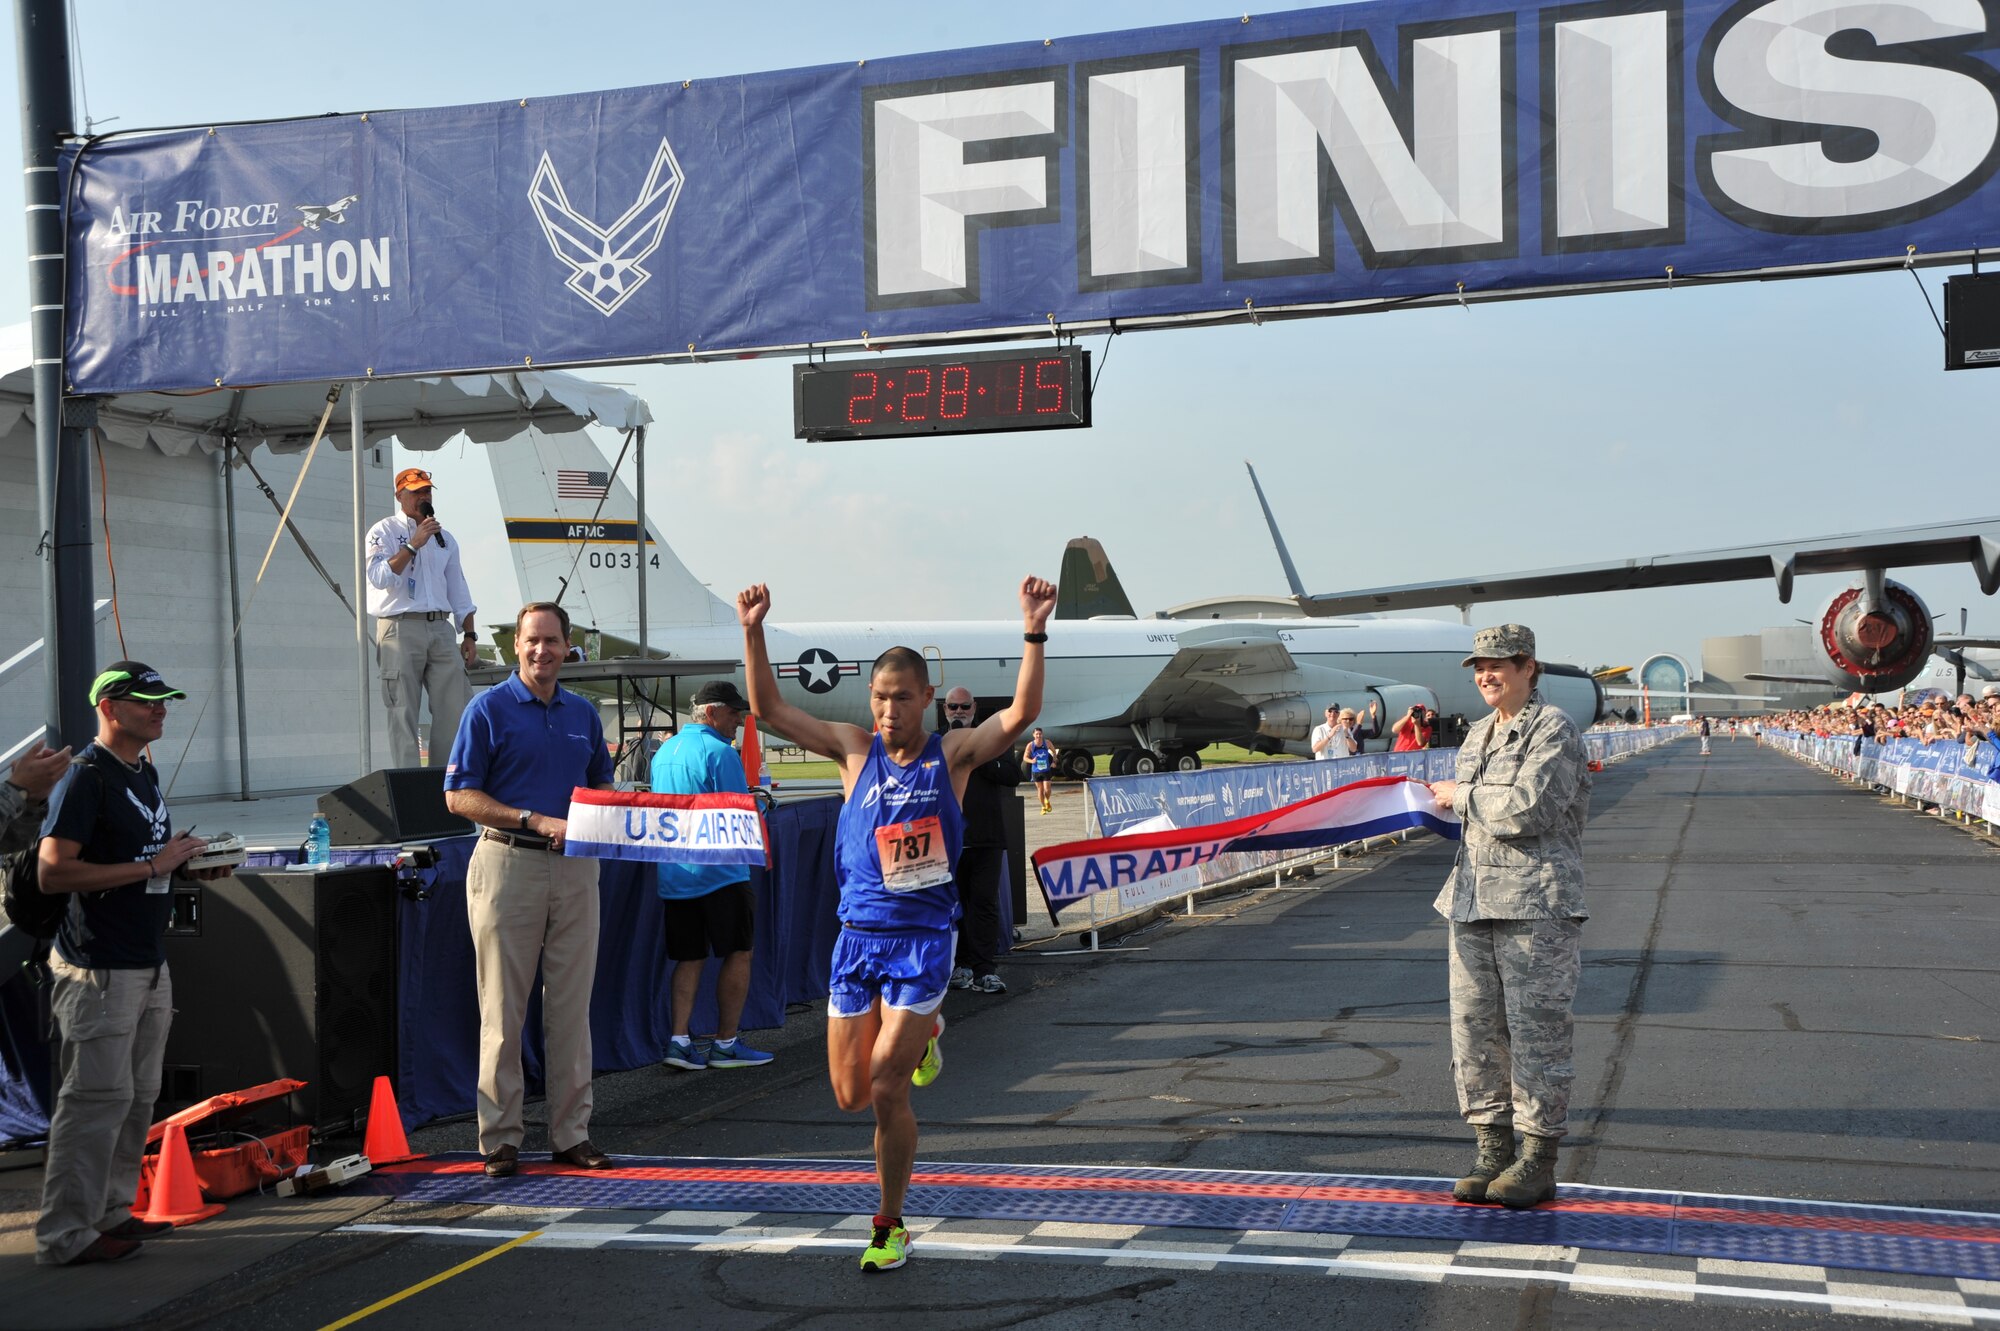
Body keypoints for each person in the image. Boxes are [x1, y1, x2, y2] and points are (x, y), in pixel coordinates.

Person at [738, 575, 1055, 1273]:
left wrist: (1033, 628)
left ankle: (890, 1223)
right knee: (851, 1092)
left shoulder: (953, 755)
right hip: (856, 941)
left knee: (886, 1087)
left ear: (926, 699)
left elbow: (1025, 709)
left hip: (922, 941)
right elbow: (768, 708)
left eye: (901, 697)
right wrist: (753, 629)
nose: (887, 709)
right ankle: (928, 1033)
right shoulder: (854, 749)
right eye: (879, 697)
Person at [35, 663, 227, 1266]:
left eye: (164, 699)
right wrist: (154, 868)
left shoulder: (141, 770)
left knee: (137, 1096)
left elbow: (144, 857)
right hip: (98, 966)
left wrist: (190, 867)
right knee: (93, 1101)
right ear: (110, 709)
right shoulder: (84, 777)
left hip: (145, 959)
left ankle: (112, 1212)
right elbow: (51, 871)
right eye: (147, 701)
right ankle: (65, 1235)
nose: (160, 709)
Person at [443, 602, 616, 1178]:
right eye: (531, 640)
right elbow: (458, 796)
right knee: (502, 1009)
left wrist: (602, 821)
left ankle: (572, 1134)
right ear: (515, 646)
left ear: (570, 647)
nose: (542, 650)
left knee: (571, 1010)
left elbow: (601, 785)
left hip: (575, 870)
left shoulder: (584, 714)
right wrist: (533, 820)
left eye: (552, 641)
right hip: (507, 863)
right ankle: (500, 1138)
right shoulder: (486, 709)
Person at [1426, 625, 1591, 1211]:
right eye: (1479, 666)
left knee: (1537, 1035)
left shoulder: (1554, 730)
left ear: (1528, 667)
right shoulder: (1476, 735)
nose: (1486, 675)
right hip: (1471, 899)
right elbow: (1469, 815)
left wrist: (1457, 795)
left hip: (1534, 905)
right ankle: (1492, 1148)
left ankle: (1538, 1159)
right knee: (1474, 1033)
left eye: (1498, 665)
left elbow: (1528, 808)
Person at [650, 680, 773, 1072]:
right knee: (739, 953)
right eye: (735, 713)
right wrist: (761, 807)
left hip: (674, 873)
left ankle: (679, 1040)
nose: (739, 720)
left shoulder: (664, 750)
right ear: (713, 712)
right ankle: (725, 1043)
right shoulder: (721, 752)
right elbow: (738, 814)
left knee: (689, 957)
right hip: (720, 872)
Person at [365, 466, 478, 768]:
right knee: (403, 711)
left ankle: (442, 785)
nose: (423, 496)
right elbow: (378, 577)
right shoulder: (383, 531)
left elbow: (459, 590)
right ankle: (410, 788)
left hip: (441, 628)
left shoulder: (445, 539)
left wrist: (469, 634)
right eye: (416, 492)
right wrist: (414, 544)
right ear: (399, 495)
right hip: (401, 629)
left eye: (427, 491)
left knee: (455, 707)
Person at [943, 687, 1023, 995]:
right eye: (953, 706)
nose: (959, 711)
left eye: (964, 706)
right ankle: (960, 966)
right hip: (949, 840)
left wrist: (977, 756)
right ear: (945, 709)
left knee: (984, 904)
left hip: (987, 837)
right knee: (954, 905)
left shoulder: (994, 737)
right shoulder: (938, 741)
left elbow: (1013, 775)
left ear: (974, 707)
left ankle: (985, 969)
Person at [1023, 729, 1056, 813]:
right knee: (1040, 790)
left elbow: (1054, 751)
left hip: (1046, 770)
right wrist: (1032, 761)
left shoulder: (1047, 743)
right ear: (1033, 735)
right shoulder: (1030, 745)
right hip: (1036, 770)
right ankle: (1043, 807)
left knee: (1047, 789)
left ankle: (1046, 800)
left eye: (1040, 734)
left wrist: (1053, 761)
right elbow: (1025, 758)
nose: (1038, 736)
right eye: (1037, 734)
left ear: (1042, 734)